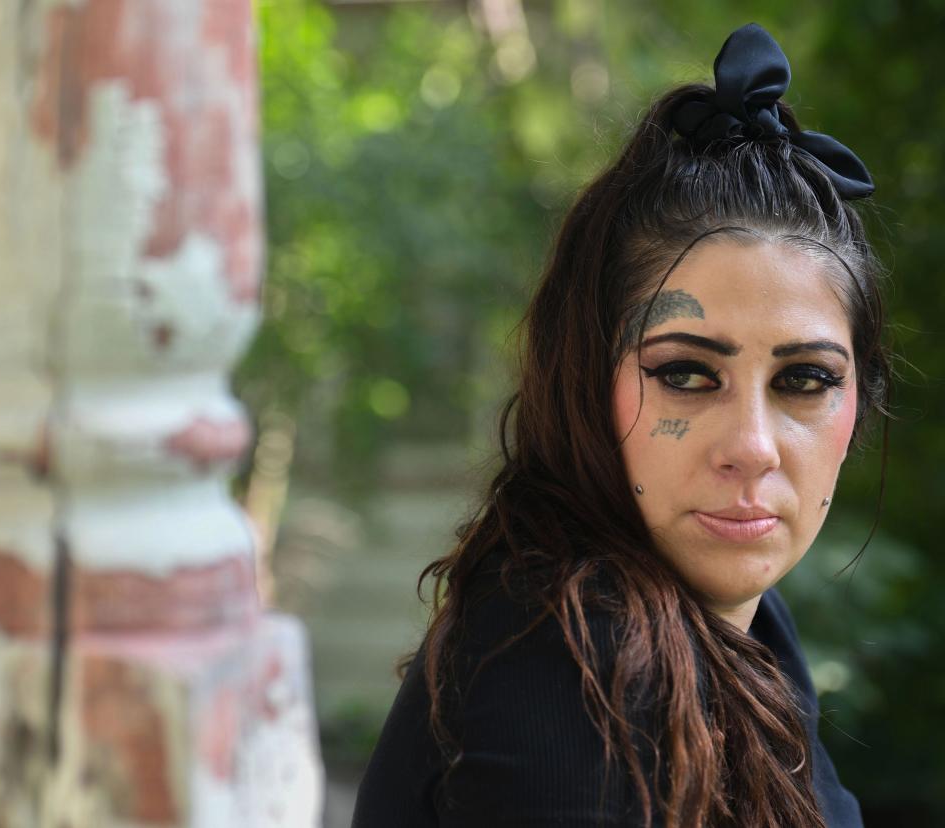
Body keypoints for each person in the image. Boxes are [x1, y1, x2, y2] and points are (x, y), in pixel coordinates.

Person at [352, 21, 890, 828]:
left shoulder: (743, 623)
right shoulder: (567, 674)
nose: (752, 445)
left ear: (859, 402)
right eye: (684, 374)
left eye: (805, 381)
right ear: (585, 381)